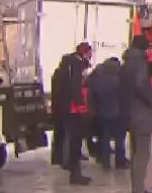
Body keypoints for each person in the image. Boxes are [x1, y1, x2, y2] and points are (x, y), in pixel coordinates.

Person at [121, 35, 152, 193]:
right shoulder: (139, 63)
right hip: (141, 114)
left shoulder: (127, 63)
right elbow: (141, 85)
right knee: (143, 154)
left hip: (131, 112)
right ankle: (139, 191)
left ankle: (137, 189)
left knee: (136, 153)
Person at [50, 42, 93, 185]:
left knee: (68, 137)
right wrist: (81, 105)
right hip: (74, 109)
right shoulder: (76, 65)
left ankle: (68, 165)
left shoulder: (66, 66)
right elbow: (76, 88)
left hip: (65, 108)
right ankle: (75, 173)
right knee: (75, 140)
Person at [87, 57, 128, 170]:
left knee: (104, 139)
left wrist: (93, 111)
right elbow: (124, 98)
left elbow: (92, 98)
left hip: (102, 113)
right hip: (118, 114)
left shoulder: (98, 80)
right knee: (120, 140)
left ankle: (106, 162)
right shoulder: (120, 81)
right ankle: (120, 162)